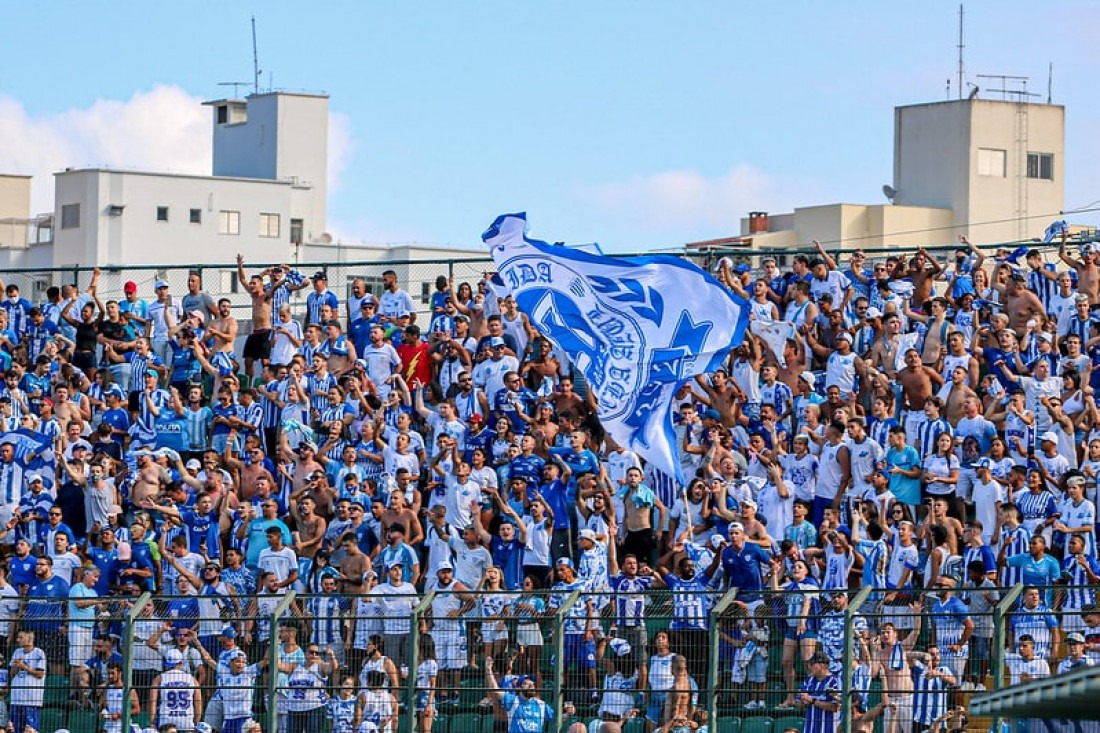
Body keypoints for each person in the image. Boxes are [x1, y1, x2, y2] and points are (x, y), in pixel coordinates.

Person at [484, 654, 553, 733]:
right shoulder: (513, 700)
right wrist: (488, 671)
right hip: (504, 720)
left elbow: (557, 717)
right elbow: (494, 691)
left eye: (532, 684)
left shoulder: (540, 704)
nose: (531, 684)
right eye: (527, 683)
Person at [151, 648, 203, 733]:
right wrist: (196, 721)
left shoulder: (159, 678)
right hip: (186, 721)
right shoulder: (192, 679)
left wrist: (152, 722)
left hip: (166, 721)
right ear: (180, 663)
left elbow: (152, 701)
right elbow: (198, 702)